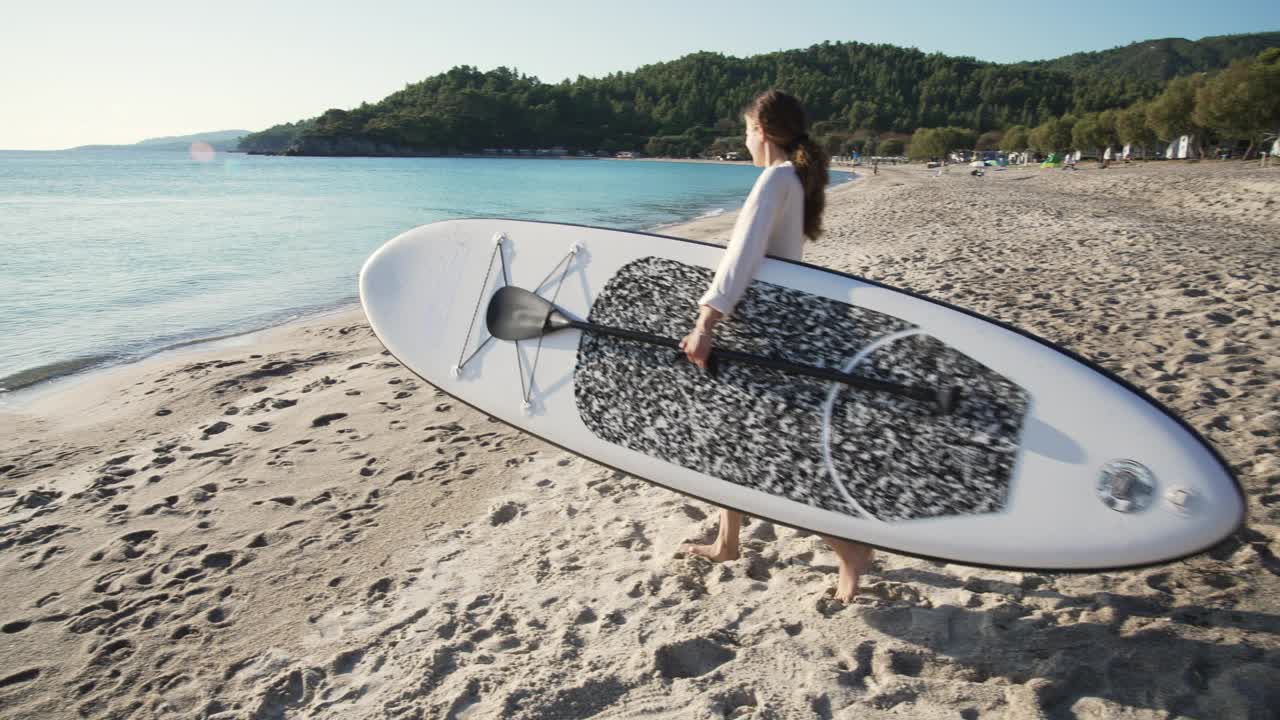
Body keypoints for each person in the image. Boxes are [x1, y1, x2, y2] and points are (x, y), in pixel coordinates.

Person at [676, 89, 875, 602]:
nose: (745, 140)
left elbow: (740, 259)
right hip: (773, 325)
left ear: (760, 131)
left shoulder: (775, 177)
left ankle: (847, 547)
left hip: (765, 330)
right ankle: (727, 541)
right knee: (733, 437)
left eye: (746, 130)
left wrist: (705, 322)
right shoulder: (794, 178)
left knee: (773, 448)